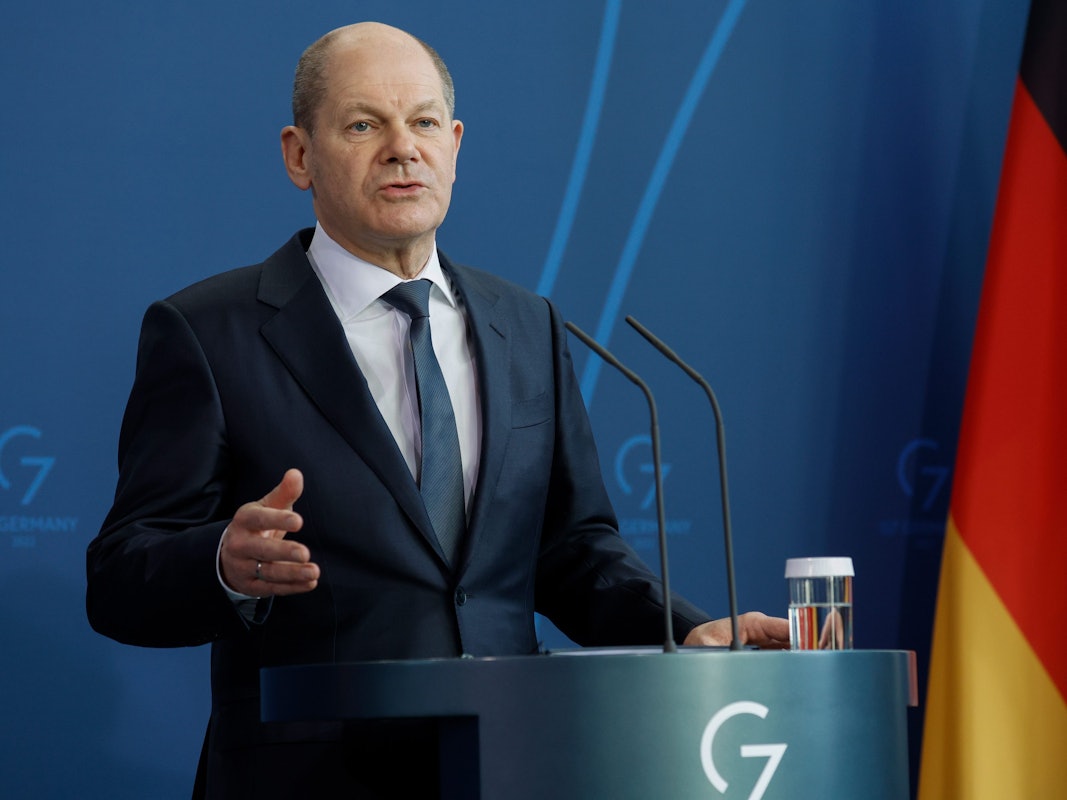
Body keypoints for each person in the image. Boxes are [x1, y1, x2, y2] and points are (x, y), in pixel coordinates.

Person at [86, 21, 789, 798]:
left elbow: (571, 549)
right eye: (363, 125)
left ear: (453, 145)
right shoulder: (209, 331)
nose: (402, 148)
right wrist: (223, 561)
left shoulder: (525, 324)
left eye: (423, 122)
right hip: (310, 778)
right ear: (299, 155)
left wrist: (683, 630)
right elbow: (121, 577)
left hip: (512, 766)